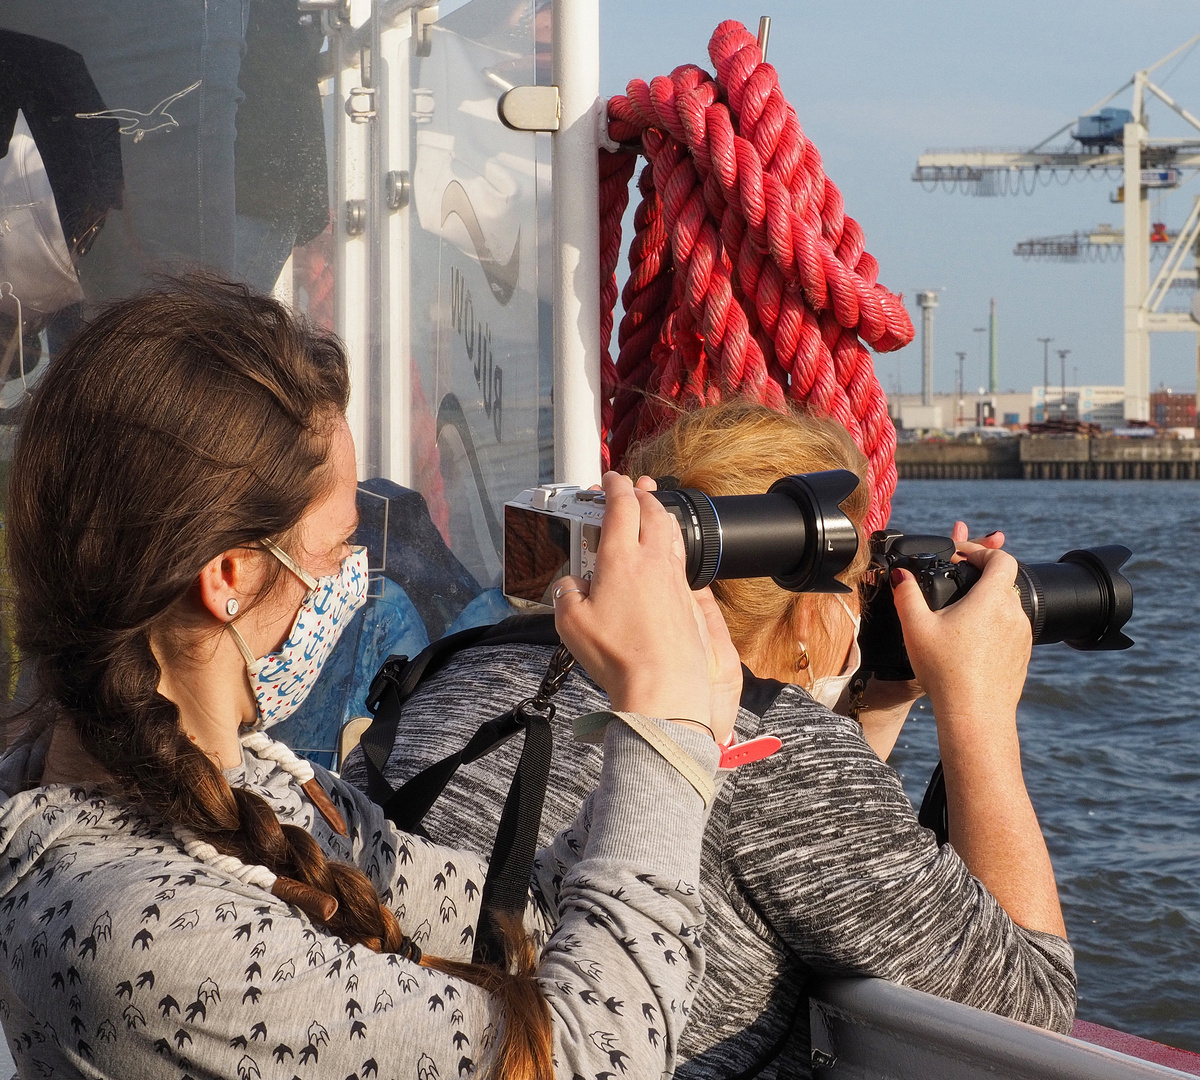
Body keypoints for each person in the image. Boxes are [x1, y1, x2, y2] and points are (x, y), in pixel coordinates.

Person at [0, 276, 746, 1080]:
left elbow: (515, 920)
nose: (357, 574)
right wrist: (664, 732)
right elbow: (591, 1060)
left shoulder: (246, 790)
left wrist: (668, 725)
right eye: (337, 544)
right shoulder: (130, 925)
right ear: (230, 577)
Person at [343, 400, 1077, 1079]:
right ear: (803, 616)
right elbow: (1031, 1012)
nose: (866, 601)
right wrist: (978, 704)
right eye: (858, 581)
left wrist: (878, 706)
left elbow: (779, 867)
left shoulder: (476, 658)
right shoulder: (785, 766)